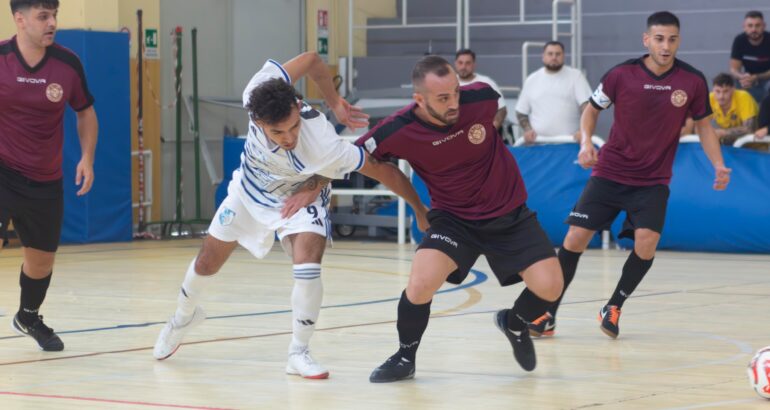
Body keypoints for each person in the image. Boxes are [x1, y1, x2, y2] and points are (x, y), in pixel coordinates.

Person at [152, 51, 429, 380]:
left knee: (309, 261)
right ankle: (183, 317)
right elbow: (310, 60)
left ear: (298, 108)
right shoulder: (258, 90)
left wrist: (419, 210)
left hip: (301, 198)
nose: (289, 137)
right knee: (206, 262)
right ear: (256, 121)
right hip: (250, 192)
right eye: (278, 133)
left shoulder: (324, 143)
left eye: (293, 127)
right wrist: (336, 100)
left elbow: (385, 171)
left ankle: (299, 351)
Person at [356, 55, 563, 383]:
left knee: (551, 287)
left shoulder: (480, 97)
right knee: (421, 283)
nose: (453, 102)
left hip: (510, 215)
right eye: (442, 98)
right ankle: (405, 356)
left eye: (455, 92)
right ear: (419, 100)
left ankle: (513, 323)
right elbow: (361, 158)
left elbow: (495, 108)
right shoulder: (398, 128)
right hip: (454, 220)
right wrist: (416, 207)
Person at [528, 11, 730, 339]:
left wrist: (718, 164)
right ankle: (548, 312)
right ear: (646, 40)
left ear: (679, 41)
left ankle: (614, 305)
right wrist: (584, 144)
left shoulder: (691, 81)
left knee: (647, 243)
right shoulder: (621, 75)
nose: (666, 46)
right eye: (659, 39)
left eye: (672, 39)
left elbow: (705, 126)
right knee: (574, 239)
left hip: (652, 181)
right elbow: (591, 109)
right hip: (610, 172)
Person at [1, 0, 98, 351]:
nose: (52, 22)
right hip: (3, 169)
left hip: (44, 178)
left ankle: (28, 316)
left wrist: (86, 158)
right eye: (44, 16)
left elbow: (85, 113)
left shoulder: (67, 64)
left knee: (40, 262)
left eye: (54, 15)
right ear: (20, 19)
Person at [515, 41, 592, 144]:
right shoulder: (532, 79)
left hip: (570, 144)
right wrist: (528, 130)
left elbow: (587, 107)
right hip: (539, 145)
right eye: (550, 54)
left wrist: (583, 130)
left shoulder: (575, 76)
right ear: (543, 56)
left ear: (563, 56)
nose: (554, 57)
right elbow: (521, 112)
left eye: (558, 54)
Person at [454, 48, 507, 130]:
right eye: (460, 63)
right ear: (455, 64)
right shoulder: (448, 84)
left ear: (474, 64)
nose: (463, 67)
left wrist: (491, 128)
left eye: (468, 63)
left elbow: (501, 109)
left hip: (481, 132)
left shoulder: (486, 83)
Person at [730, 11, 770, 103]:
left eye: (757, 25)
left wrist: (756, 77)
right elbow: (734, 69)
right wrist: (742, 77)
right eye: (750, 25)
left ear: (764, 26)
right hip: (748, 77)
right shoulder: (739, 40)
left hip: (767, 78)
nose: (754, 29)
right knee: (734, 85)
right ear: (744, 27)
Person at [709, 73, 758, 145]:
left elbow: (749, 129)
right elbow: (698, 124)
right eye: (717, 91)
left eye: (725, 91)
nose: (721, 96)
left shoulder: (744, 97)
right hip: (729, 144)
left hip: (755, 145)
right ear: (713, 89)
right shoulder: (710, 98)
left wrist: (723, 132)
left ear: (733, 89)